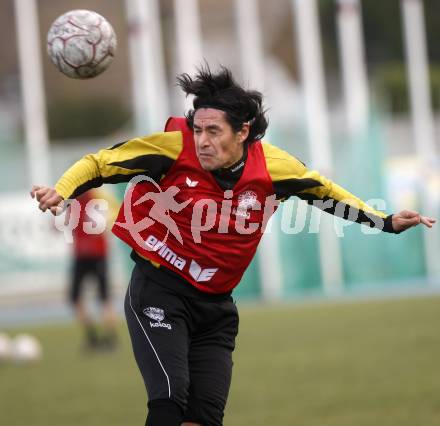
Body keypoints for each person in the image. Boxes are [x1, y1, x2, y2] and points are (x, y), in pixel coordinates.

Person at [30, 65, 435, 426]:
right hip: (159, 291)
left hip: (217, 309)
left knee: (203, 418)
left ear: (243, 132)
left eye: (213, 131)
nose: (202, 141)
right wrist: (62, 191)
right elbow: (99, 162)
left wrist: (383, 221)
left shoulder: (274, 167)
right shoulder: (173, 147)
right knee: (169, 402)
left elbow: (324, 192)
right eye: (198, 129)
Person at [69, 188, 118, 350]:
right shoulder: (76, 201)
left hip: (96, 254)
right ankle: (93, 337)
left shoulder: (97, 198)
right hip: (82, 255)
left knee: (103, 298)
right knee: (76, 298)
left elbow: (112, 217)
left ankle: (110, 339)